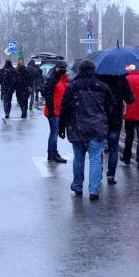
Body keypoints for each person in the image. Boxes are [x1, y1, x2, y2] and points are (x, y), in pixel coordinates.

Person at [59, 60, 114, 201]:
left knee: (78, 158)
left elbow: (64, 107)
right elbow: (110, 107)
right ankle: (94, 189)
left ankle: (77, 185)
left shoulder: (73, 86)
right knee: (95, 159)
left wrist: (62, 126)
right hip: (97, 128)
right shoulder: (102, 86)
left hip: (77, 128)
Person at [97, 74, 134, 185]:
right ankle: (111, 175)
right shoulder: (121, 79)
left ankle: (97, 174)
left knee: (98, 147)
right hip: (115, 118)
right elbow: (130, 99)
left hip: (101, 118)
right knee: (113, 148)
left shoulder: (99, 79)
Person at [43, 60, 69, 163]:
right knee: (54, 133)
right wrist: (52, 112)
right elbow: (48, 97)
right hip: (54, 111)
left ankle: (51, 153)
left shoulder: (62, 80)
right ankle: (53, 154)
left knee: (53, 133)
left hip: (57, 110)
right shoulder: (53, 80)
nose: (64, 70)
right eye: (62, 68)